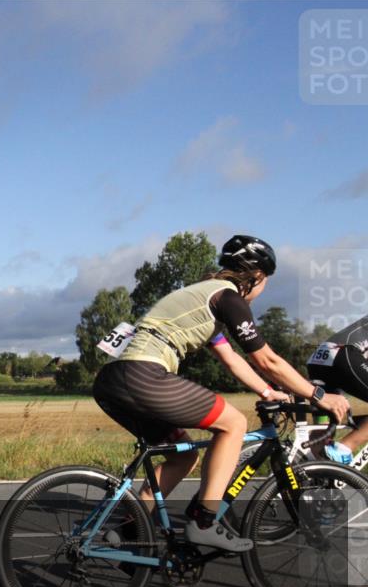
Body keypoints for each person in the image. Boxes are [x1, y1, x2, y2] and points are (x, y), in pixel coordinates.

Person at [93, 235, 351, 551]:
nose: (263, 288)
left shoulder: (202, 299)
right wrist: (319, 396)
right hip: (144, 375)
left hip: (113, 380)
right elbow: (267, 360)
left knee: (184, 455)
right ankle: (205, 522)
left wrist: (270, 392)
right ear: (255, 275)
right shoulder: (228, 298)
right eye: (265, 281)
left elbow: (233, 361)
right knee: (233, 424)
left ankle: (126, 530)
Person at [307, 316, 368, 455]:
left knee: (323, 424)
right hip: (344, 354)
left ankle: (316, 467)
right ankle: (342, 450)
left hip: (319, 358)